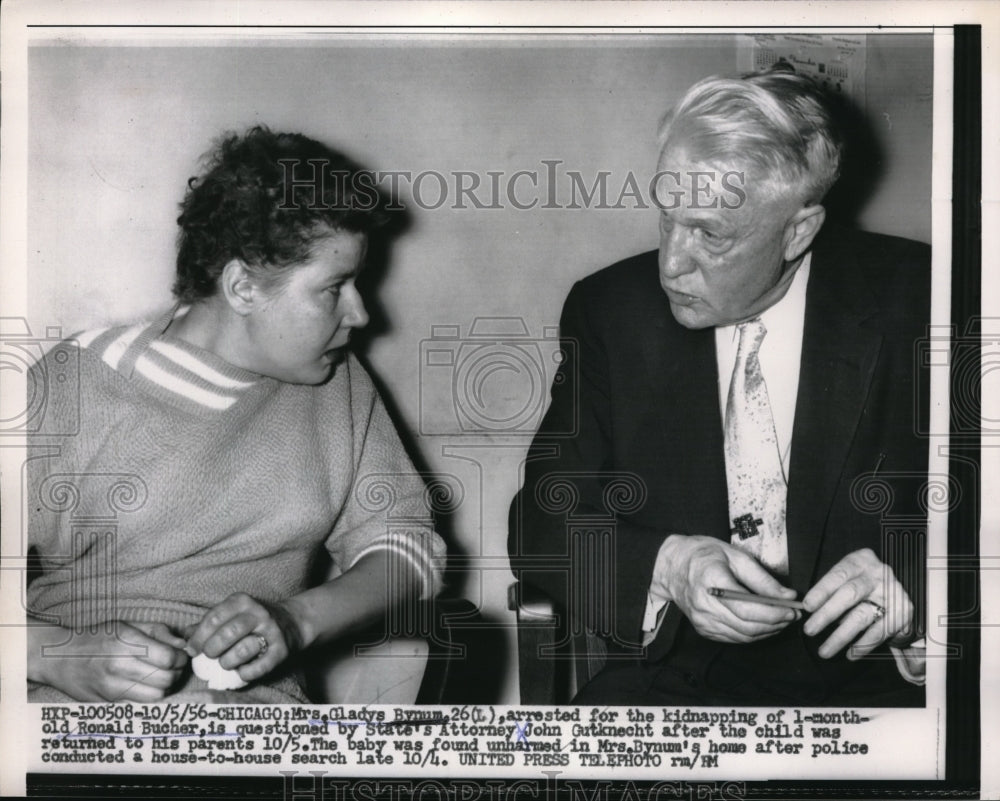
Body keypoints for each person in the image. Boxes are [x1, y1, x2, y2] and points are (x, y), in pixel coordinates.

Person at [509, 70, 929, 706]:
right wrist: (668, 567)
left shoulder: (926, 299)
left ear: (799, 230)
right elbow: (540, 522)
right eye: (666, 216)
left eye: (710, 233)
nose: (670, 262)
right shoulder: (610, 312)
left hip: (871, 689)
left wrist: (921, 594)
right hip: (674, 681)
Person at [26, 127, 445, 703]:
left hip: (251, 723)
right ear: (244, 287)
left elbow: (408, 550)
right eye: (335, 288)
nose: (361, 313)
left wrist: (297, 621)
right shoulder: (75, 380)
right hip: (66, 709)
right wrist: (56, 655)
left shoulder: (339, 386)